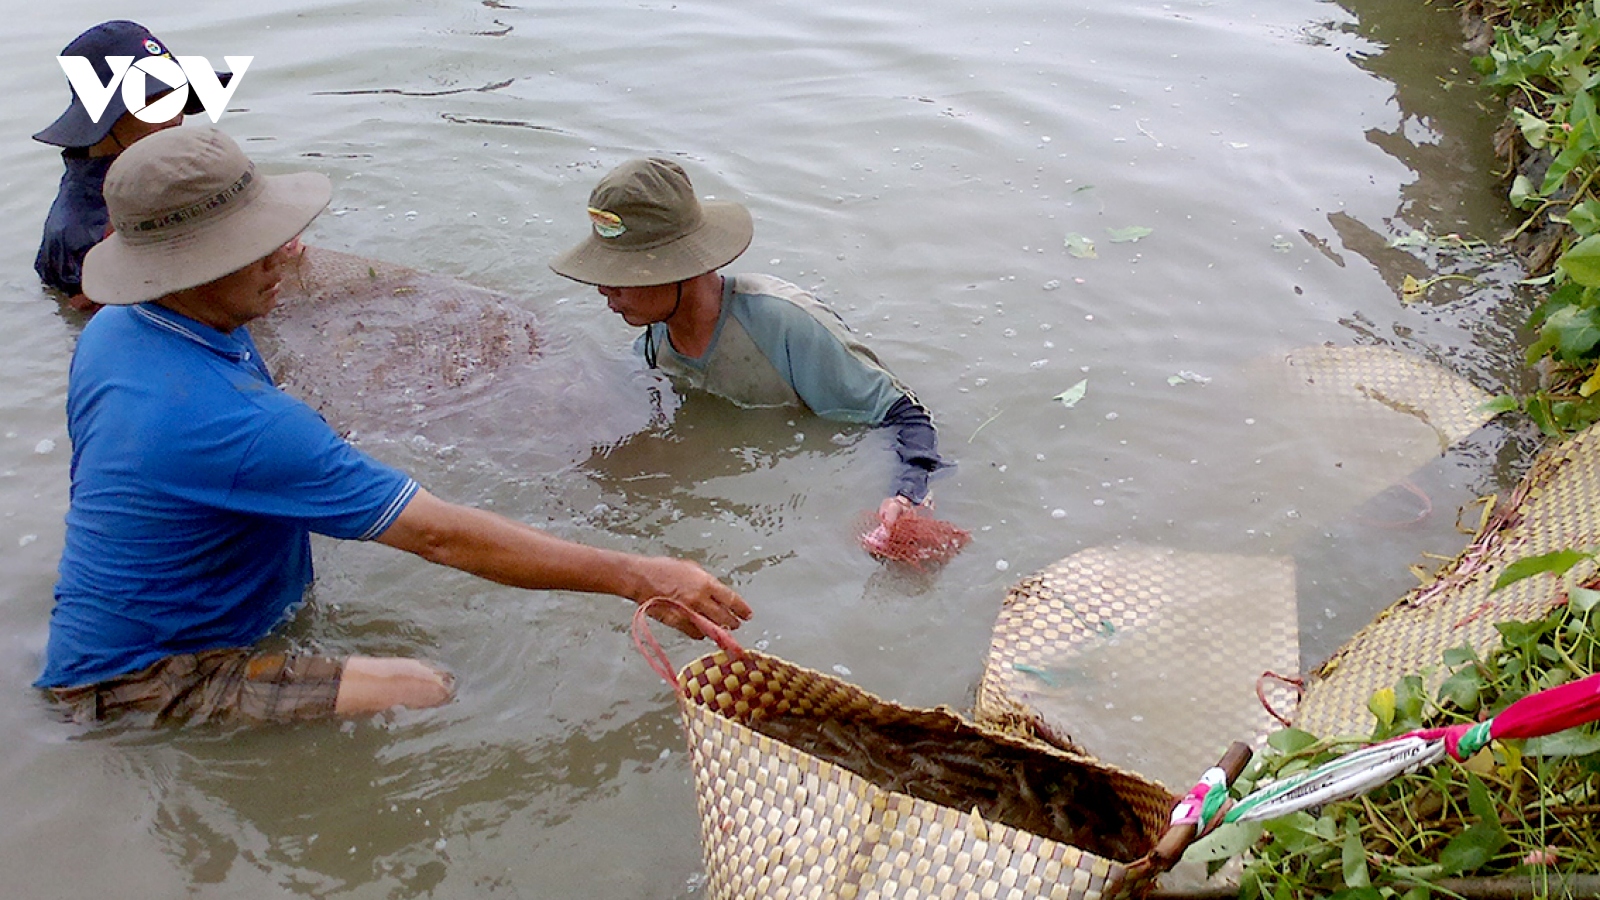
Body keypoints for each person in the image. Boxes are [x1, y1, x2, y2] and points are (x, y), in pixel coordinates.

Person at [35, 127, 751, 725]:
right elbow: (440, 535)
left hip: (126, 625)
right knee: (424, 688)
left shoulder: (118, 333)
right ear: (190, 268)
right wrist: (641, 574)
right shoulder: (236, 424)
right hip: (137, 684)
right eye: (259, 246)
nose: (291, 254)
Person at [550, 157, 947, 531]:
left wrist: (906, 496)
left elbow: (906, 416)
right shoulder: (652, 347)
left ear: (678, 268)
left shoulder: (784, 324)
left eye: (622, 273)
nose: (603, 288)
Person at [33, 20, 230, 312]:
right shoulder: (80, 233)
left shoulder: (161, 168)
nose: (175, 117)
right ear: (104, 116)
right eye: (151, 102)